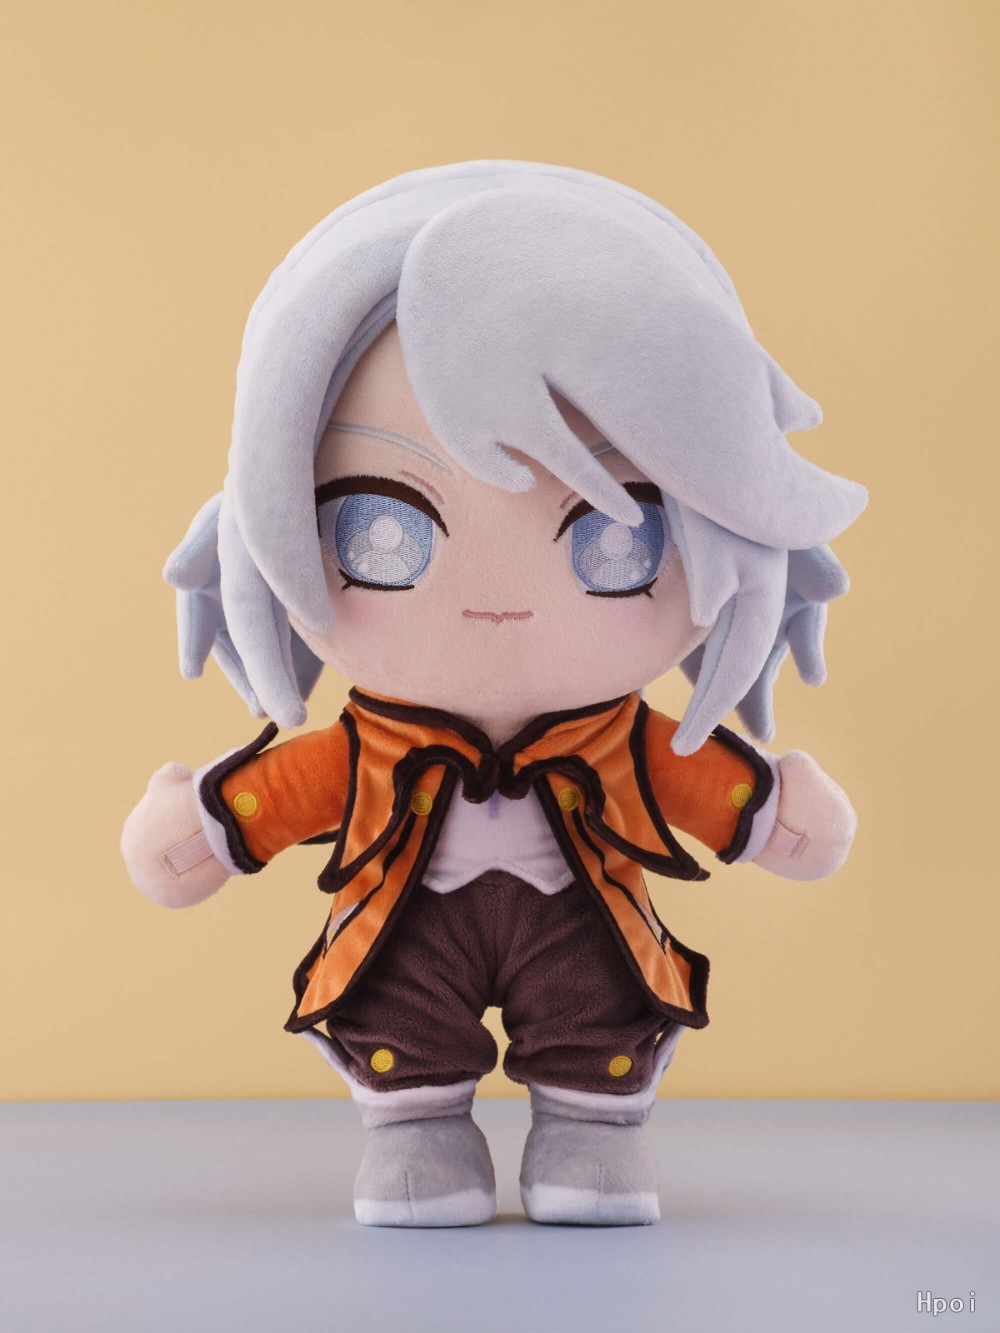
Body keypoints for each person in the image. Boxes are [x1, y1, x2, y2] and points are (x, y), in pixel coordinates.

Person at [122, 160, 865, 1228]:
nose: (498, 602)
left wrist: (775, 810)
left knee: (600, 1015)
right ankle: (417, 1132)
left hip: (588, 929)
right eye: (380, 530)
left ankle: (593, 1131)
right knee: (398, 1016)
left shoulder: (619, 740)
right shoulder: (374, 745)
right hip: (402, 931)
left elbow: (703, 783)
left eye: (616, 535)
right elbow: (289, 787)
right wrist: (200, 825)